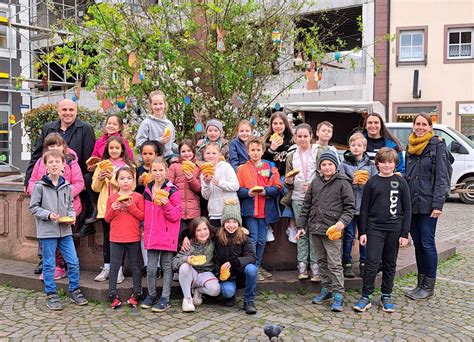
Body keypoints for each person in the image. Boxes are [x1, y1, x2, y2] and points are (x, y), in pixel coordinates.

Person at [24, 99, 96, 238]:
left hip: (71, 185)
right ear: (58, 111)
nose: (68, 113)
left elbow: (88, 157)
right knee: (46, 231)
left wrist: (81, 184)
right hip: (48, 187)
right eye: (64, 110)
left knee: (68, 232)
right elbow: (38, 154)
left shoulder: (85, 128)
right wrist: (27, 180)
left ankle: (67, 258)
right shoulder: (48, 128)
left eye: (71, 110)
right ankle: (46, 259)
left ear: (76, 111)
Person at [353, 148, 411, 313]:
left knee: (390, 264)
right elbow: (364, 209)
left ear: (395, 164)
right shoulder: (372, 182)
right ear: (377, 163)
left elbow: (407, 210)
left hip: (394, 229)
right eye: (383, 162)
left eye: (390, 162)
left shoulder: (401, 182)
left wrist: (404, 234)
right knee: (371, 262)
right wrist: (362, 232)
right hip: (375, 228)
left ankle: (386, 295)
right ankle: (366, 296)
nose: (386, 165)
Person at [295, 151, 355, 312]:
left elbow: (350, 208)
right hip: (315, 228)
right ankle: (327, 289)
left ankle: (338, 294)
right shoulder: (315, 182)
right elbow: (306, 206)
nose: (327, 167)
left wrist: (341, 223)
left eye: (330, 164)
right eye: (324, 164)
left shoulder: (343, 182)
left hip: (332, 230)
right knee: (321, 261)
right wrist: (301, 226)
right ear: (319, 167)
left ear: (335, 165)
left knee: (334, 264)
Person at [29, 150, 88, 310]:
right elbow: (33, 208)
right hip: (48, 232)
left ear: (63, 165)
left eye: (57, 162)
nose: (54, 165)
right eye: (51, 162)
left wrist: (71, 215)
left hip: (65, 231)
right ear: (46, 166)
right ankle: (51, 293)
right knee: (49, 264)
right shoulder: (39, 187)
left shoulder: (67, 186)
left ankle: (74, 290)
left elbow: (69, 205)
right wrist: (48, 215)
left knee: (73, 262)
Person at [404, 113, 450, 300]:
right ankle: (420, 284)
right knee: (418, 244)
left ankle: (428, 286)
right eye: (417, 124)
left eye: (424, 124)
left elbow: (441, 177)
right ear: (413, 126)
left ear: (430, 127)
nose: (420, 127)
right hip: (412, 204)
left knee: (427, 244)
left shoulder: (437, 146)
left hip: (429, 204)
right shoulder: (410, 145)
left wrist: (438, 204)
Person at [27, 133, 85, 279]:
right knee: (47, 238)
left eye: (58, 145)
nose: (55, 148)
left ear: (63, 146)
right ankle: (49, 267)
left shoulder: (71, 162)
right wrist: (39, 192)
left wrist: (62, 193)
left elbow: (79, 183)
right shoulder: (41, 162)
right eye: (51, 146)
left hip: (66, 206)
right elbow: (33, 180)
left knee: (64, 238)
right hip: (45, 206)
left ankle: (61, 266)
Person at [141, 157, 182, 312]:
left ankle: (165, 297)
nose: (157, 173)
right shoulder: (147, 189)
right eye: (154, 170)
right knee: (151, 268)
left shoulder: (172, 191)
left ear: (166, 171)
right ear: (150, 171)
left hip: (167, 234)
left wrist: (166, 204)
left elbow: (176, 215)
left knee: (166, 266)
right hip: (152, 234)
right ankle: (151, 295)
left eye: (161, 170)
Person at [237, 137, 281, 281]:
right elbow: (238, 189)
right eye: (252, 150)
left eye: (258, 150)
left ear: (263, 151)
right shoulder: (242, 169)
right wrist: (247, 193)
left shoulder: (270, 167)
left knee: (262, 240)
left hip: (265, 210)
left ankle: (257, 265)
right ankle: (253, 268)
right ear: (247, 151)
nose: (255, 153)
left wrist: (266, 192)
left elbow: (278, 187)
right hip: (250, 210)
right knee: (253, 238)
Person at [92, 136, 135, 283]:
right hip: (106, 207)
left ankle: (119, 270)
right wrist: (99, 178)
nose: (114, 150)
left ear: (122, 149)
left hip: (122, 208)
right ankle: (107, 267)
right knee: (107, 239)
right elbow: (95, 188)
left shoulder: (128, 167)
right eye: (111, 148)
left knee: (120, 239)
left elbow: (131, 187)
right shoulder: (101, 165)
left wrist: (112, 178)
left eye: (117, 148)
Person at [338, 132, 377, 278]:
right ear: (349, 146)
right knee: (348, 235)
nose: (356, 148)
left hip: (364, 207)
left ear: (364, 147)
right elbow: (340, 181)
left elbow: (375, 183)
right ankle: (347, 263)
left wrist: (368, 184)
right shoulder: (344, 164)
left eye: (359, 145)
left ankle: (363, 263)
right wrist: (350, 181)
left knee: (364, 235)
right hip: (348, 207)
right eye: (353, 145)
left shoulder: (370, 165)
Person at [105, 167, 145, 309]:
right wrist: (113, 208)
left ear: (133, 180)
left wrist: (132, 207)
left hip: (133, 236)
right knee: (114, 267)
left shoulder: (138, 197)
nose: (125, 181)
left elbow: (142, 216)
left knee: (135, 266)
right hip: (116, 237)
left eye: (128, 178)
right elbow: (107, 219)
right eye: (122, 178)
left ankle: (137, 292)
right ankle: (112, 294)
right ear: (117, 181)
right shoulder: (112, 198)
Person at [284, 124, 319, 281]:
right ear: (295, 138)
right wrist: (289, 182)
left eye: (305, 136)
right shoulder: (292, 156)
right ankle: (302, 266)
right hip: (298, 197)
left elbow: (326, 174)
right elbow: (288, 182)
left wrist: (313, 185)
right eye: (299, 136)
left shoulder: (318, 152)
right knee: (302, 231)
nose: (303, 139)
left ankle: (316, 267)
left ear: (311, 136)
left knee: (314, 232)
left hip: (316, 198)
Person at [214, 201, 258, 314]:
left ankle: (249, 301)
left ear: (239, 224)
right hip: (225, 275)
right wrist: (185, 237)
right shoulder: (217, 235)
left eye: (234, 222)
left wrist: (237, 261)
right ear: (223, 223)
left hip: (240, 273)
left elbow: (252, 257)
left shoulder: (244, 238)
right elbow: (198, 228)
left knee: (252, 269)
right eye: (228, 221)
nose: (231, 225)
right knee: (228, 292)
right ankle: (230, 296)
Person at [172, 217, 220, 312]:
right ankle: (187, 299)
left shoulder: (213, 242)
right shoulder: (189, 244)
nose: (203, 233)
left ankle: (198, 290)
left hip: (207, 273)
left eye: (205, 229)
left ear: (209, 230)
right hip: (192, 274)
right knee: (184, 266)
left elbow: (223, 231)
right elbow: (174, 262)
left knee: (216, 290)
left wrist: (240, 228)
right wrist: (187, 259)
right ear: (194, 232)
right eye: (198, 230)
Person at [135, 140, 163, 276]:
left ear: (156, 154)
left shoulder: (160, 169)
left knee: (157, 235)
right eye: (144, 153)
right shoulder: (138, 170)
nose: (147, 156)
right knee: (144, 235)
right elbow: (136, 189)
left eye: (150, 153)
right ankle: (147, 265)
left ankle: (157, 266)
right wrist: (139, 183)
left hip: (157, 208)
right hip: (144, 207)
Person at [200, 143, 239, 228]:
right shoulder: (203, 172)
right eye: (208, 153)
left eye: (214, 153)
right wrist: (206, 184)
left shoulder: (225, 166)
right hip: (214, 212)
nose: (211, 156)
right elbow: (206, 196)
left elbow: (236, 186)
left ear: (219, 154)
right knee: (217, 238)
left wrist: (219, 183)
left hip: (230, 210)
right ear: (204, 155)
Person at [168, 140, 201, 239]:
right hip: (178, 209)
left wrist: (191, 179)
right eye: (183, 151)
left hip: (193, 210)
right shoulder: (174, 166)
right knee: (180, 238)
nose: (186, 154)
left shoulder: (197, 167)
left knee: (193, 238)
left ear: (193, 152)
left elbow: (199, 189)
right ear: (179, 152)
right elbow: (168, 185)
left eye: (189, 151)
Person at [135, 90, 176, 163]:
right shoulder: (146, 123)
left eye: (160, 103)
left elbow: (171, 144)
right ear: (150, 105)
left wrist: (183, 149)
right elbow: (139, 143)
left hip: (167, 158)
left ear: (165, 105)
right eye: (155, 104)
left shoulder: (169, 124)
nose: (158, 107)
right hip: (150, 160)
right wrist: (158, 141)